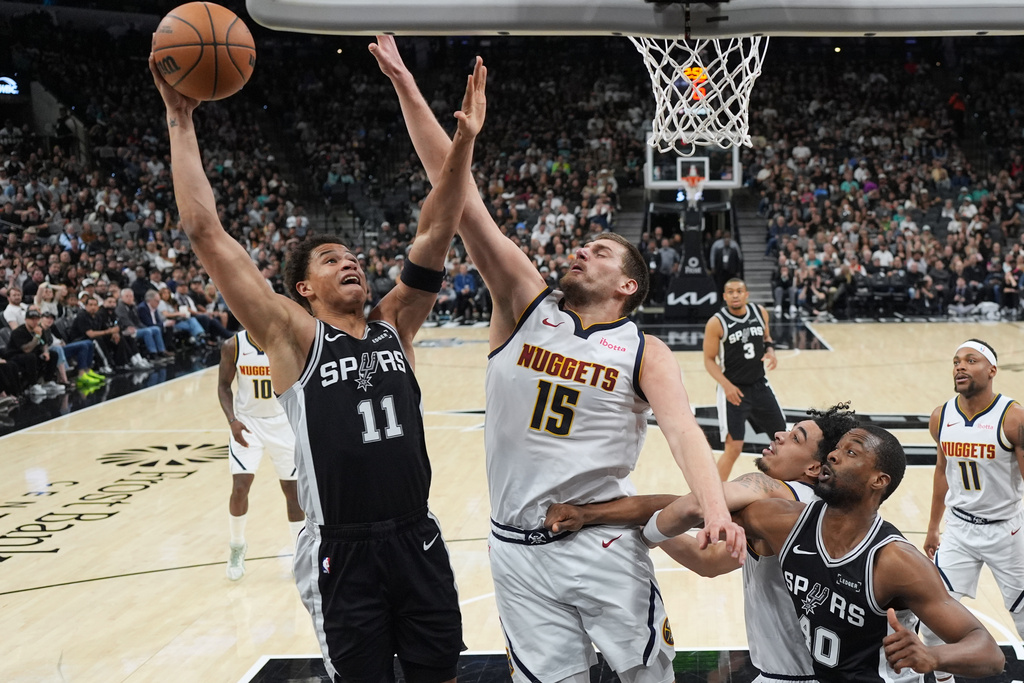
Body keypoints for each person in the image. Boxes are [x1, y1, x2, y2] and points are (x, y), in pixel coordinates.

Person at [372, 35, 742, 683]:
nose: (581, 251)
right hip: (516, 549)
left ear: (628, 285)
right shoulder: (524, 302)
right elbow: (460, 199)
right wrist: (413, 91)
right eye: (583, 246)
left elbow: (684, 432)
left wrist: (714, 509)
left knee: (647, 677)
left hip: (600, 540)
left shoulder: (643, 349)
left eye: (600, 252)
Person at [152, 49, 488, 682]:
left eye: (352, 256)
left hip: (416, 534)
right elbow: (205, 232)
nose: (349, 261)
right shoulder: (292, 337)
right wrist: (180, 117)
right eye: (331, 260)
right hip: (340, 548)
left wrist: (463, 142)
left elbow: (439, 225)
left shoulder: (395, 324)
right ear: (303, 289)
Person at [545, 403, 861, 683]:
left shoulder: (770, 488)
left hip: (793, 676)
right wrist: (642, 522)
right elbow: (708, 561)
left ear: (814, 468)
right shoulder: (822, 508)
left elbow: (696, 505)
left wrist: (597, 516)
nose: (780, 435)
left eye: (795, 438)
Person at [735, 425, 1004, 682]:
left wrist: (934, 656)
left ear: (878, 480)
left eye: (851, 452)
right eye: (837, 448)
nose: (833, 455)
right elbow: (715, 516)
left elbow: (991, 655)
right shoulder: (788, 523)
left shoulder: (895, 561)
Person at [921, 339, 1024, 683]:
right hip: (959, 531)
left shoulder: (1013, 418)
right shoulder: (941, 416)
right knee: (933, 620)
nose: (960, 366)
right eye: (956, 361)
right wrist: (933, 526)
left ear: (992, 370)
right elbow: (942, 472)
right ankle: (944, 680)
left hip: (1007, 531)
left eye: (970, 360)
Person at [217, 330, 303, 581]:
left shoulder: (284, 341)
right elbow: (223, 386)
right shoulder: (233, 345)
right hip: (248, 423)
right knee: (240, 487)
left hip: (282, 422)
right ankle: (237, 546)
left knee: (293, 492)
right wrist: (232, 420)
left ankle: (299, 552)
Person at [706, 277, 785, 480]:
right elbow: (709, 360)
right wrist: (727, 386)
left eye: (739, 291)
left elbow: (767, 338)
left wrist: (771, 351)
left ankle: (784, 486)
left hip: (760, 385)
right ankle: (712, 493)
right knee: (734, 448)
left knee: (782, 438)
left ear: (746, 294)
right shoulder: (716, 323)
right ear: (724, 296)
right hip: (734, 390)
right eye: (730, 292)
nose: (735, 295)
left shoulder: (760, 312)